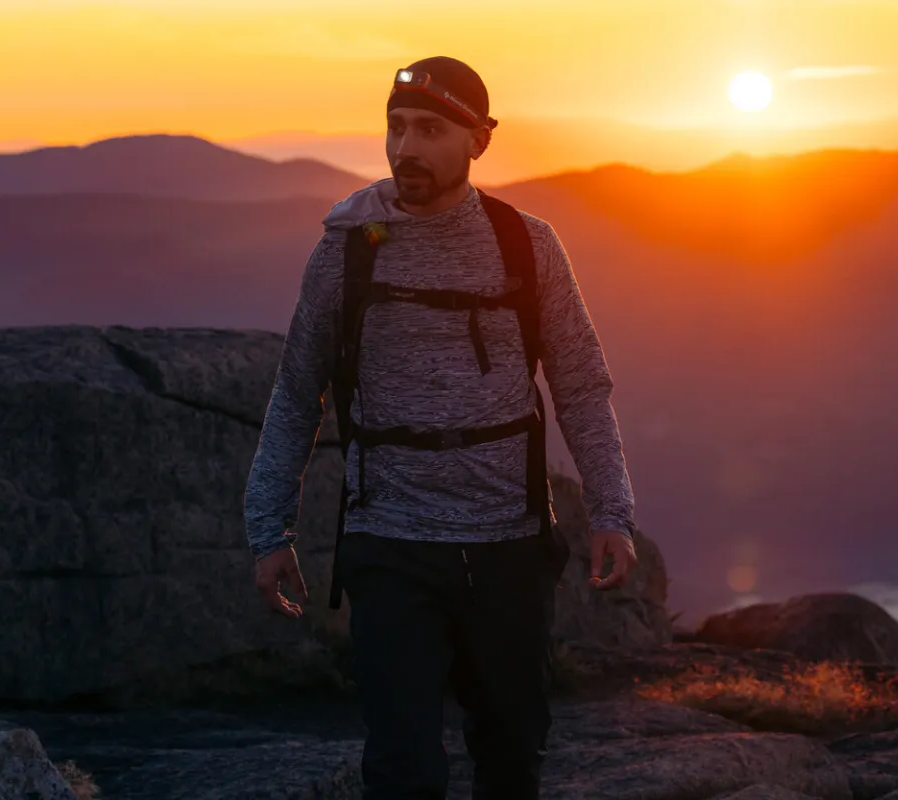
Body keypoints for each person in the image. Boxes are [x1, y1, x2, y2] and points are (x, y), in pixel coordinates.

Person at [242, 56, 639, 799]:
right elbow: (298, 394)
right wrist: (269, 530)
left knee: (513, 755)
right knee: (401, 766)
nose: (405, 148)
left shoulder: (528, 246)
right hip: (391, 543)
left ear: (479, 141)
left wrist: (612, 510)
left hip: (509, 546)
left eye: (430, 129)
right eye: (396, 128)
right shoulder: (344, 253)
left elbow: (582, 386)